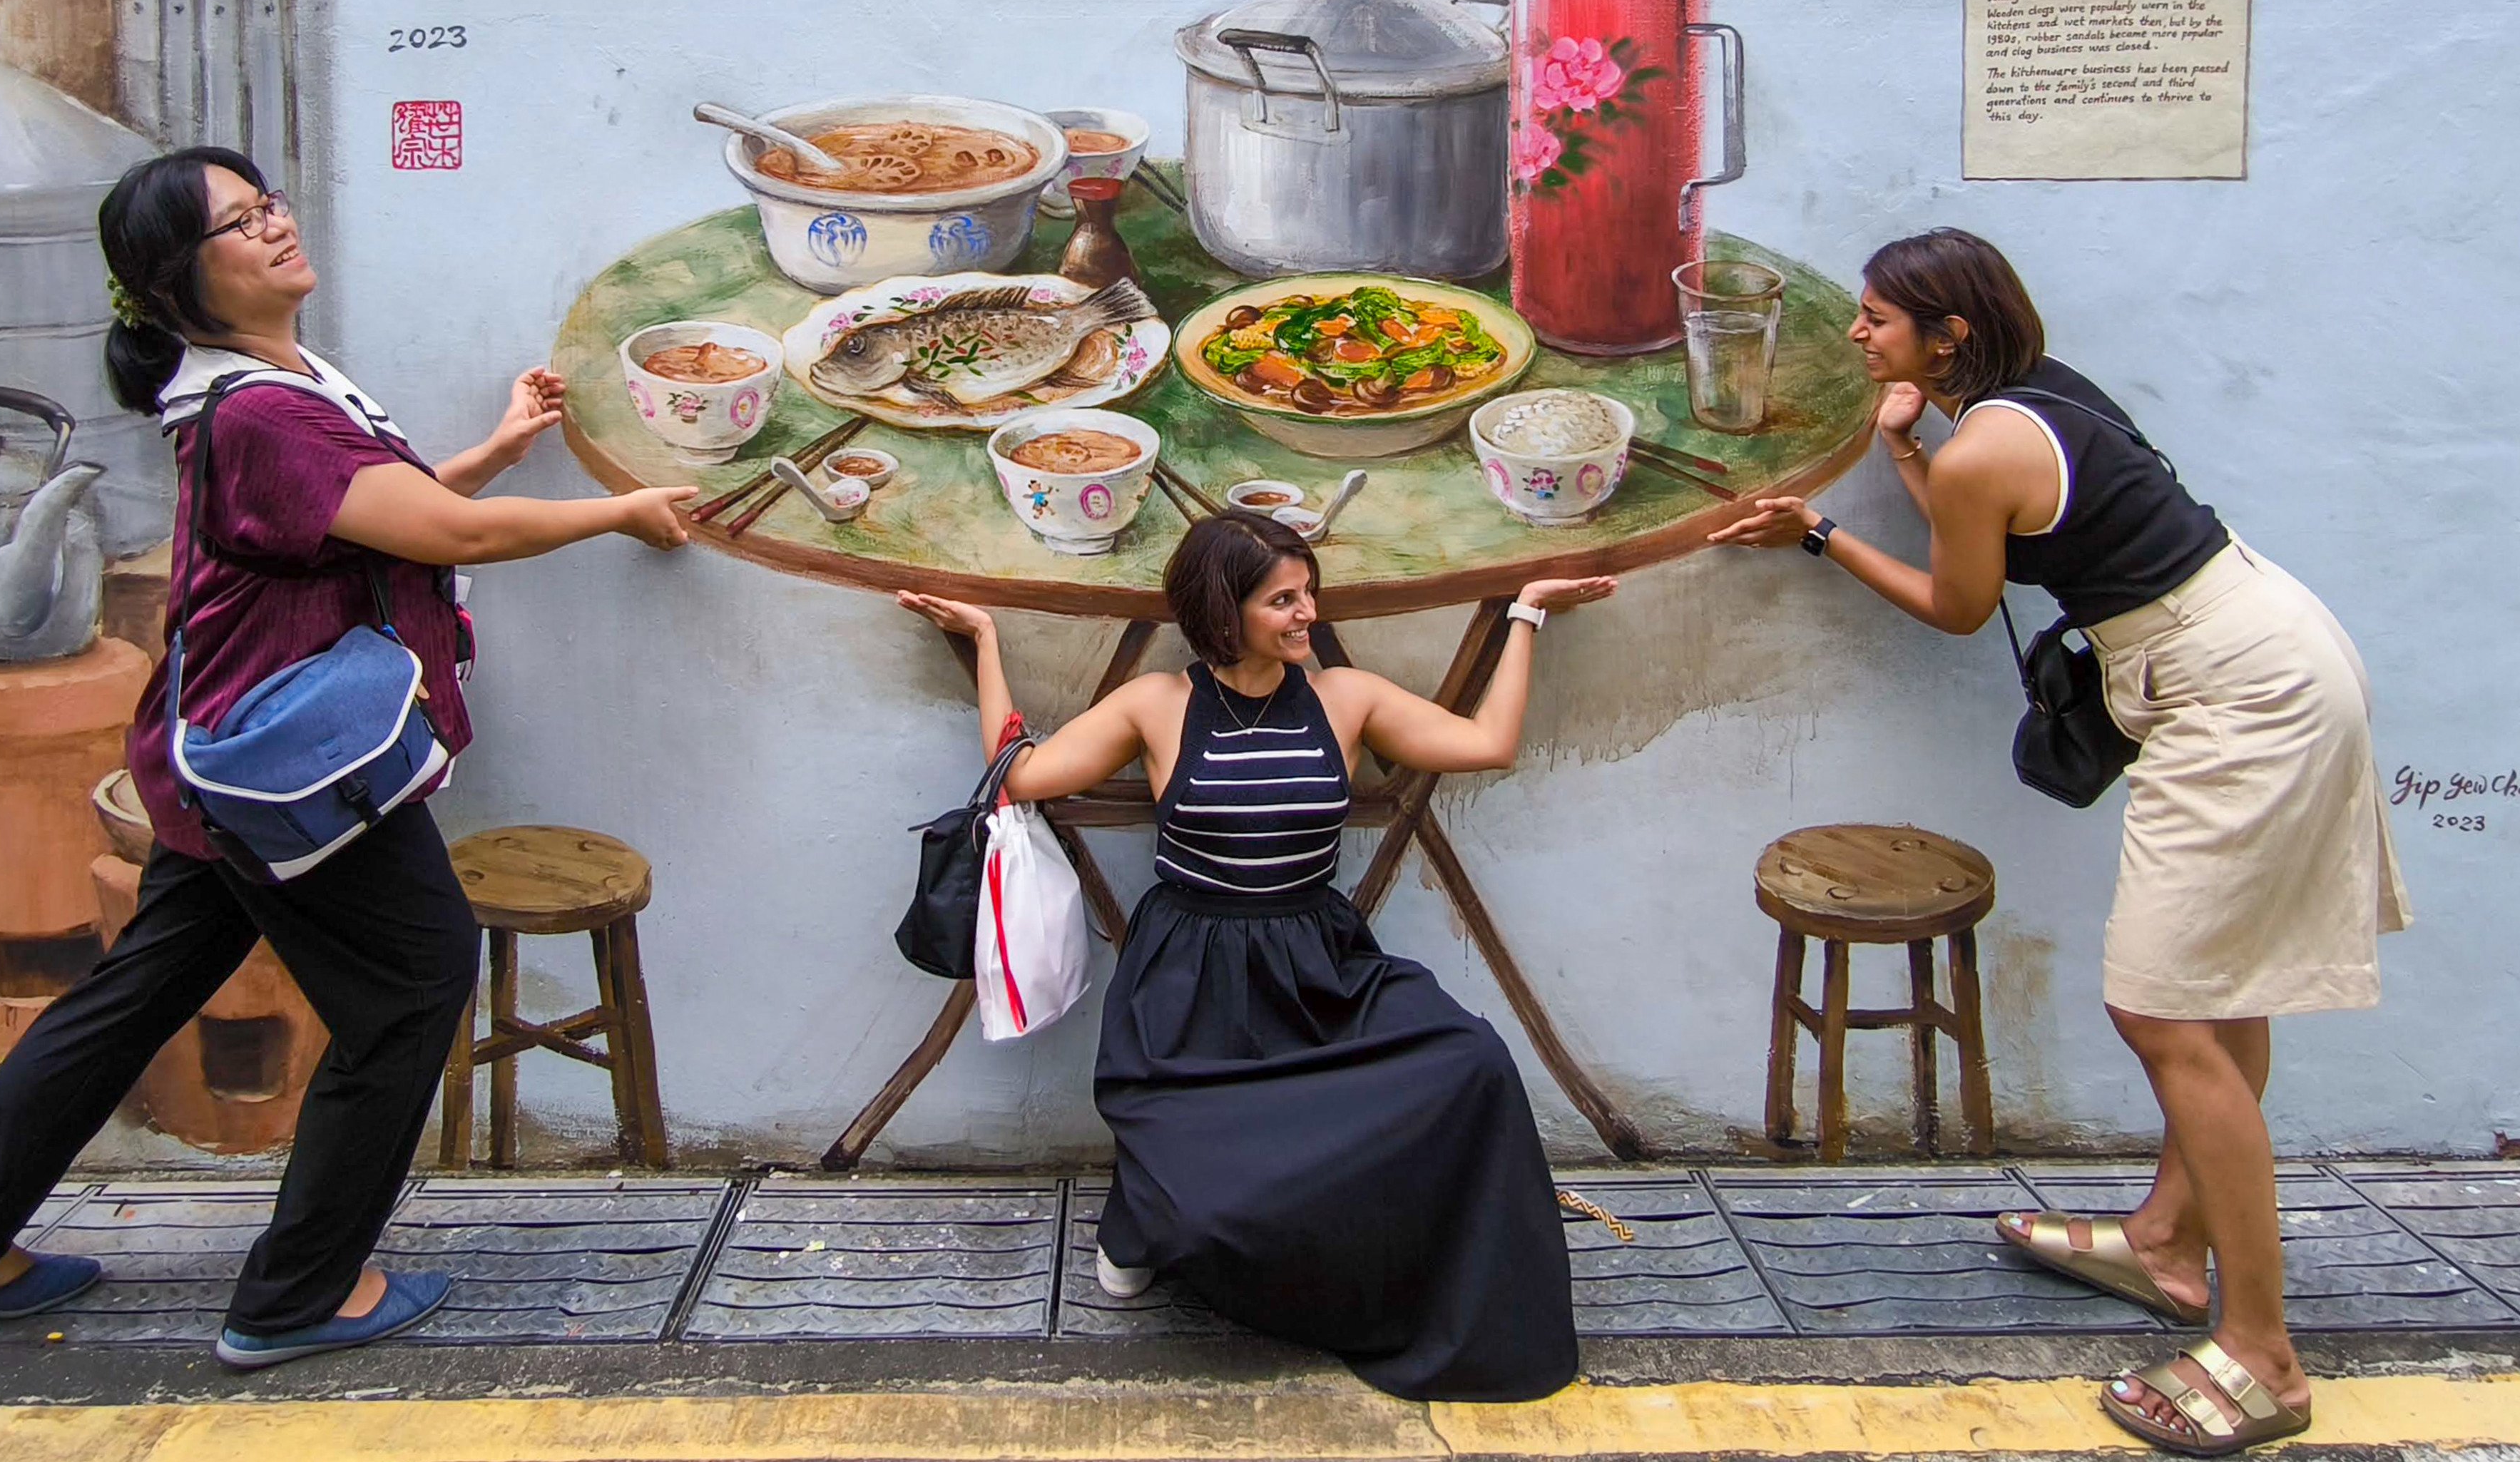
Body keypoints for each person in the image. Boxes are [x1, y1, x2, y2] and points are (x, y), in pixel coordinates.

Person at [0, 148, 700, 1370]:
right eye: (239, 223)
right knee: (414, 981)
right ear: (176, 280)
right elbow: (446, 531)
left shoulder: (268, 378)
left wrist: (499, 447)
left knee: (130, 994)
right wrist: (617, 509)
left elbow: (369, 515)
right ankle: (301, 1288)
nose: (275, 227)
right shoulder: (259, 408)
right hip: (292, 768)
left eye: (268, 203)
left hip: (224, 750)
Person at [1710, 228, 2407, 1457]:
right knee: (2215, 994)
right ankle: (2163, 1246)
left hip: (2238, 695)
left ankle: (2263, 1354)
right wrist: (1911, 447)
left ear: (1948, 334)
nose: (1862, 335)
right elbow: (1993, 530)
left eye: (1878, 318)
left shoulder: (1985, 442)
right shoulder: (2030, 404)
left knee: (2167, 1013)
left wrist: (1822, 534)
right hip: (2264, 642)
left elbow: (1957, 599)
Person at [896, 512, 1614, 1403]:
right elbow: (1020, 775)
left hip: (1318, 964)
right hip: (1191, 971)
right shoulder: (1158, 704)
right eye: (1283, 599)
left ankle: (1417, 1288)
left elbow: (1486, 743)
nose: (1307, 612)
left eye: (1308, 592)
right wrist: (986, 637)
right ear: (1222, 612)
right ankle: (1138, 1224)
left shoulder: (1347, 697)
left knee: (1473, 1063)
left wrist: (1527, 614)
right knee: (1202, 1196)